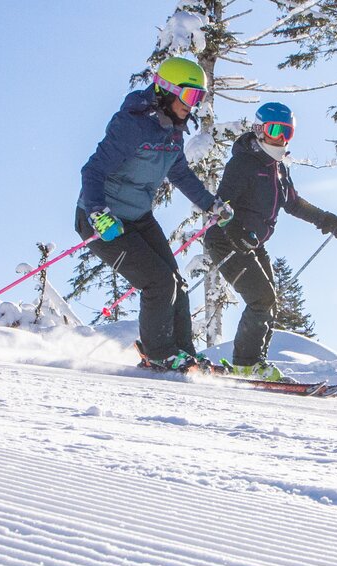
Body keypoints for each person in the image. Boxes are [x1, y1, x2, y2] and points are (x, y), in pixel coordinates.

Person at [76, 56, 232, 372]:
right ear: (166, 91)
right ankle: (159, 354)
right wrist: (98, 212)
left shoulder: (173, 132)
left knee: (176, 282)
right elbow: (92, 170)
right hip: (102, 220)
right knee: (158, 283)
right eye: (190, 96)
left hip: (139, 217)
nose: (194, 105)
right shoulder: (132, 125)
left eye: (199, 98)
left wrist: (210, 204)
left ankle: (184, 353)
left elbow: (181, 175)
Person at [205, 102, 337, 381]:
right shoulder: (243, 162)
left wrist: (327, 220)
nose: (280, 138)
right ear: (259, 130)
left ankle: (254, 362)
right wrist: (233, 230)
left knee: (269, 301)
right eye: (274, 130)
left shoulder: (279, 168)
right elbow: (221, 203)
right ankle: (247, 364)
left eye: (288, 132)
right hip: (227, 239)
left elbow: (293, 203)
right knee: (261, 297)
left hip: (254, 242)